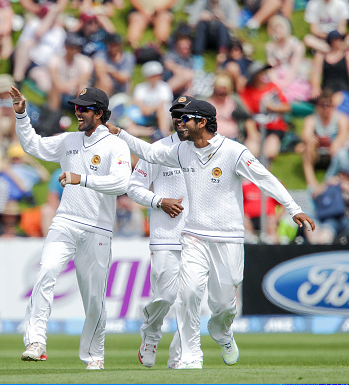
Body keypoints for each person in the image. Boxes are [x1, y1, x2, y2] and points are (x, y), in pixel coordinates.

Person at [107, 98, 315, 368]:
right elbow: (150, 153)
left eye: (186, 119)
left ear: (202, 122)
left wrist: (293, 208)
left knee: (224, 304)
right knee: (189, 293)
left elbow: (265, 178)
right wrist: (121, 134)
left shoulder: (233, 152)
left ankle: (222, 330)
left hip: (228, 238)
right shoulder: (182, 151)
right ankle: (191, 355)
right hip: (193, 236)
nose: (180, 123)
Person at [11, 85, 131, 370]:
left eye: (84, 108)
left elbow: (121, 183)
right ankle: (36, 341)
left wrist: (83, 179)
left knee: (93, 298)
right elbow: (34, 146)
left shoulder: (116, 145)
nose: (77, 112)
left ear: (99, 113)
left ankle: (94, 355)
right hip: (66, 220)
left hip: (98, 228)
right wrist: (21, 116)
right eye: (76, 107)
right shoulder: (69, 140)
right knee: (46, 271)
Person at [128, 95, 201, 369]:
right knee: (165, 296)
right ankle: (150, 333)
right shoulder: (156, 150)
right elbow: (133, 187)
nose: (180, 120)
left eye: (185, 115)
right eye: (176, 114)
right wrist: (159, 201)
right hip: (165, 237)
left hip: (197, 238)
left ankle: (179, 356)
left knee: (190, 298)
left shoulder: (208, 150)